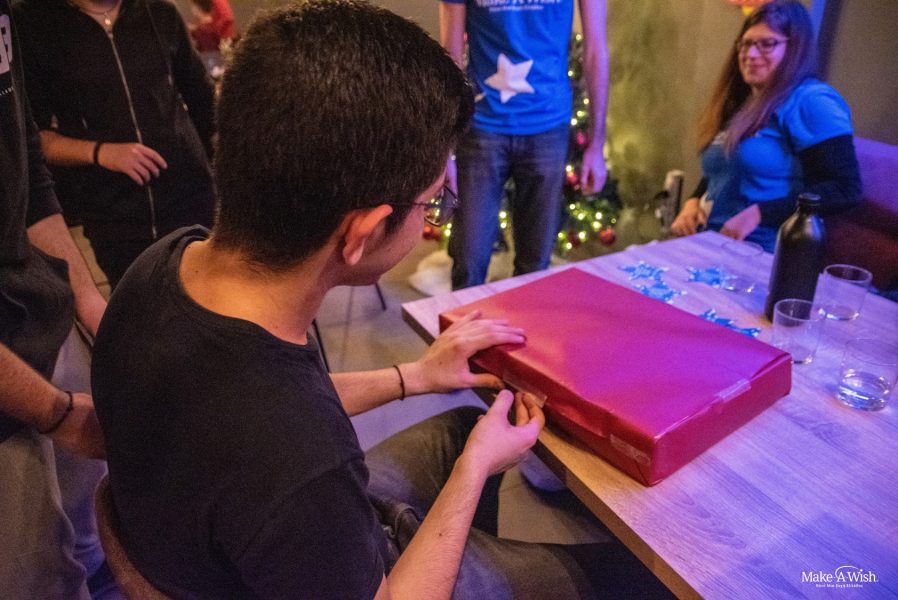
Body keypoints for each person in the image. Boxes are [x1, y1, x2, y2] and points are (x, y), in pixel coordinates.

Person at [91, 2, 669, 598]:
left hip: (239, 540)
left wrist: (415, 376)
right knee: (630, 577)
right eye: (433, 202)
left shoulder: (160, 265)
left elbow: (268, 405)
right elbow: (287, 432)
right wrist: (473, 472)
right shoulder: (301, 462)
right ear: (362, 234)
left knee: (465, 426)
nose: (437, 213)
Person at [0, 2, 117, 598]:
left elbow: (26, 174)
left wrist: (90, 306)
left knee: (87, 527)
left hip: (37, 309)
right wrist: (57, 413)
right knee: (37, 575)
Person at [13, 0, 216, 287]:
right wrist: (101, 152)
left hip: (191, 201)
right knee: (141, 306)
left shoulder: (160, 12)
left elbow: (205, 106)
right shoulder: (34, 24)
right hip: (114, 216)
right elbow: (35, 140)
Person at [440, 0, 609, 290]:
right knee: (468, 261)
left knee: (534, 267)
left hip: (548, 127)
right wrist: (444, 147)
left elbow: (595, 50)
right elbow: (450, 56)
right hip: (481, 126)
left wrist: (596, 145)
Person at [671, 0, 861, 253]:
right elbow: (725, 171)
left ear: (795, 48)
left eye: (767, 43)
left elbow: (845, 189)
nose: (750, 54)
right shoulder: (744, 101)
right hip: (711, 244)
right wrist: (693, 201)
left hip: (766, 252)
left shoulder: (811, 101)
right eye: (746, 43)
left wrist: (760, 213)